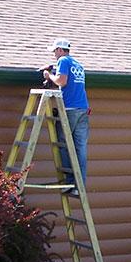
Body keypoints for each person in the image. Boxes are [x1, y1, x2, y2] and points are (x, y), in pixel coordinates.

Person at [42, 38, 90, 192]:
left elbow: (62, 81)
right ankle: (79, 186)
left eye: (55, 51)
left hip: (69, 110)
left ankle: (69, 182)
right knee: (80, 148)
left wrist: (49, 76)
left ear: (60, 50)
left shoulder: (63, 60)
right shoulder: (78, 65)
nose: (55, 55)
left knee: (63, 143)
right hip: (83, 109)